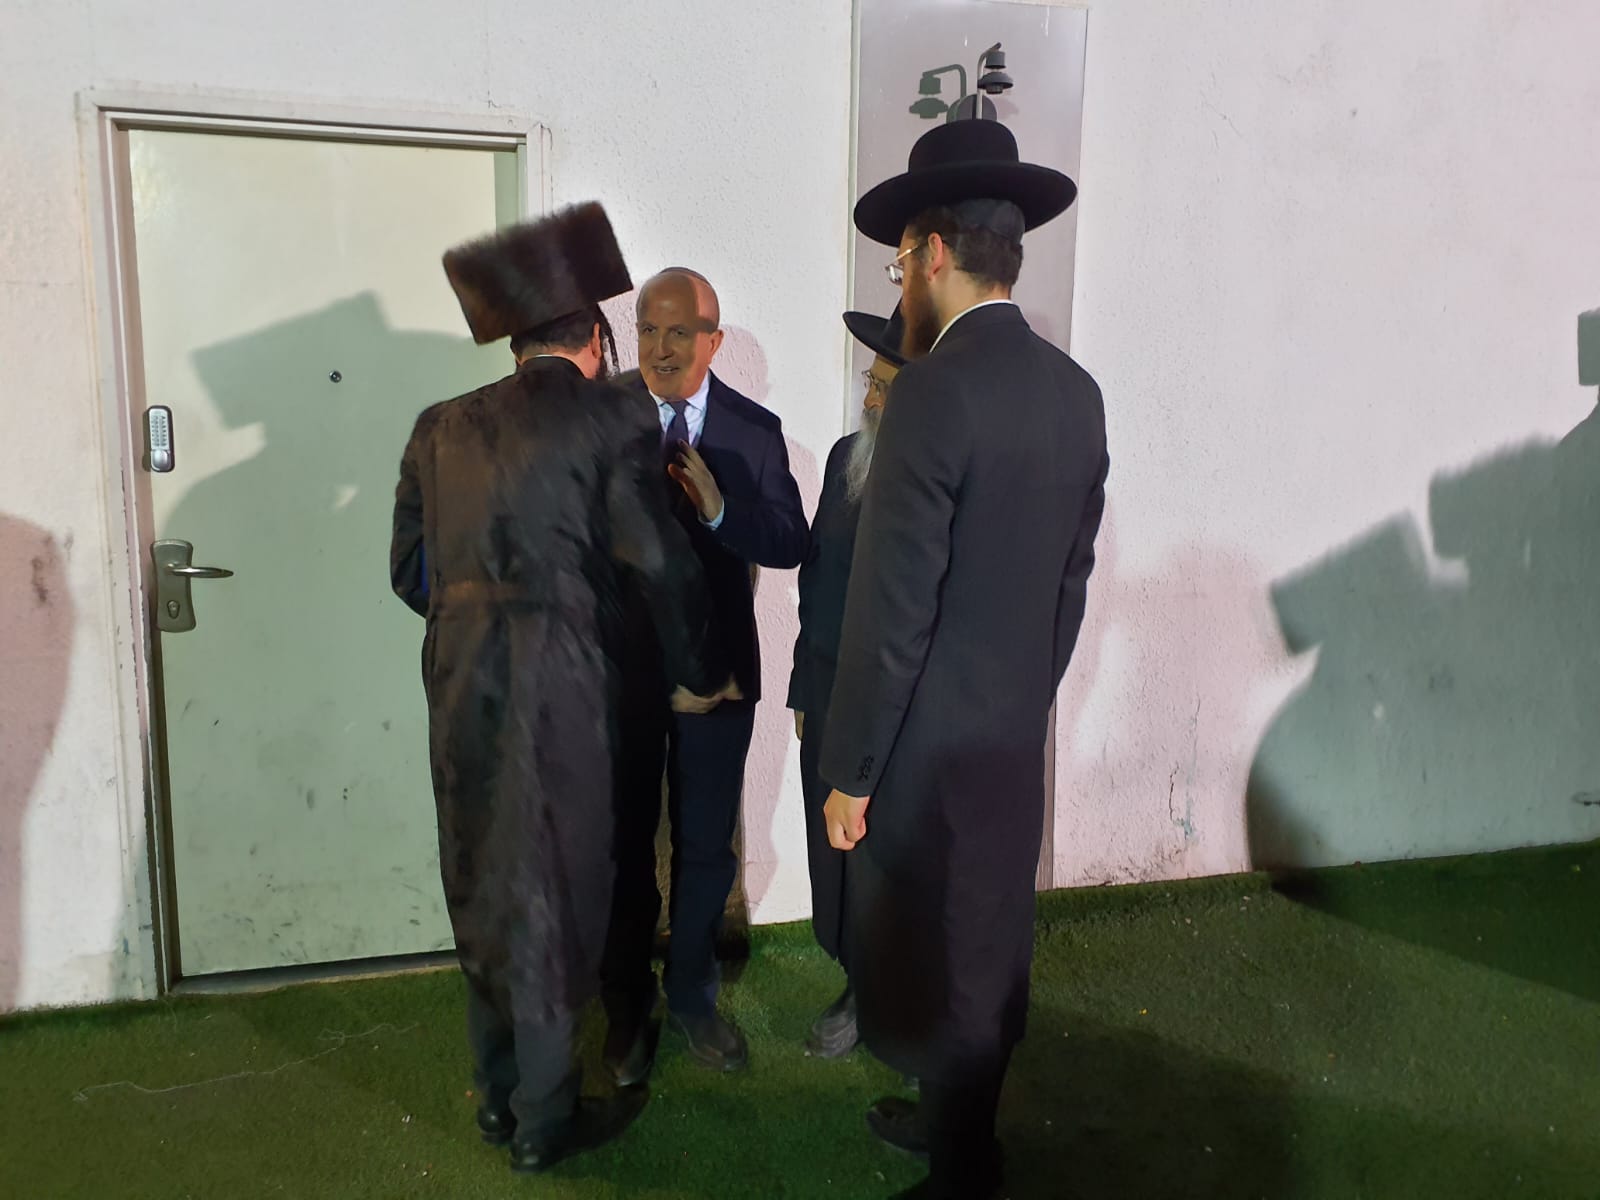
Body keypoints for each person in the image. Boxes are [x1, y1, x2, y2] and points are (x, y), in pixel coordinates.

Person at [389, 203, 728, 1174]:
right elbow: (659, 564)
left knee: (482, 877)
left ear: (515, 343)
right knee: (557, 887)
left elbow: (409, 572)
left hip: (461, 688)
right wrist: (699, 668)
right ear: (596, 339)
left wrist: (478, 623)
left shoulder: (438, 428)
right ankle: (543, 1120)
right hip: (569, 688)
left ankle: (497, 1099)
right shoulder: (615, 419)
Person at [820, 118, 1109, 1200]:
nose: (899, 280)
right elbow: (1070, 586)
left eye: (900, 259)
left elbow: (892, 610)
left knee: (937, 956)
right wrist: (1020, 697)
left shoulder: (933, 393)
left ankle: (962, 1176)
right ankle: (962, 1140)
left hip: (924, 755)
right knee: (985, 951)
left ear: (934, 252)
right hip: (1007, 742)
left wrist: (851, 771)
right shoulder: (1076, 393)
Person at [602, 268, 808, 1081]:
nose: (660, 348)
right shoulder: (600, 419)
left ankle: (691, 995)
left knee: (705, 848)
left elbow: (789, 540)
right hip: (620, 677)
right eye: (648, 330)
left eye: (679, 332)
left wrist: (722, 511)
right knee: (623, 842)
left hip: (718, 680)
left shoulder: (755, 433)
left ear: (712, 341)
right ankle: (626, 1008)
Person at [787, 302, 907, 1058]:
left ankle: (895, 1001)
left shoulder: (937, 475)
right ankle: (858, 980)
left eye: (886, 388)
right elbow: (817, 578)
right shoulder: (843, 460)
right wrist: (804, 687)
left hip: (895, 708)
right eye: (871, 380)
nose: (870, 398)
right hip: (829, 695)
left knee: (887, 857)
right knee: (831, 855)